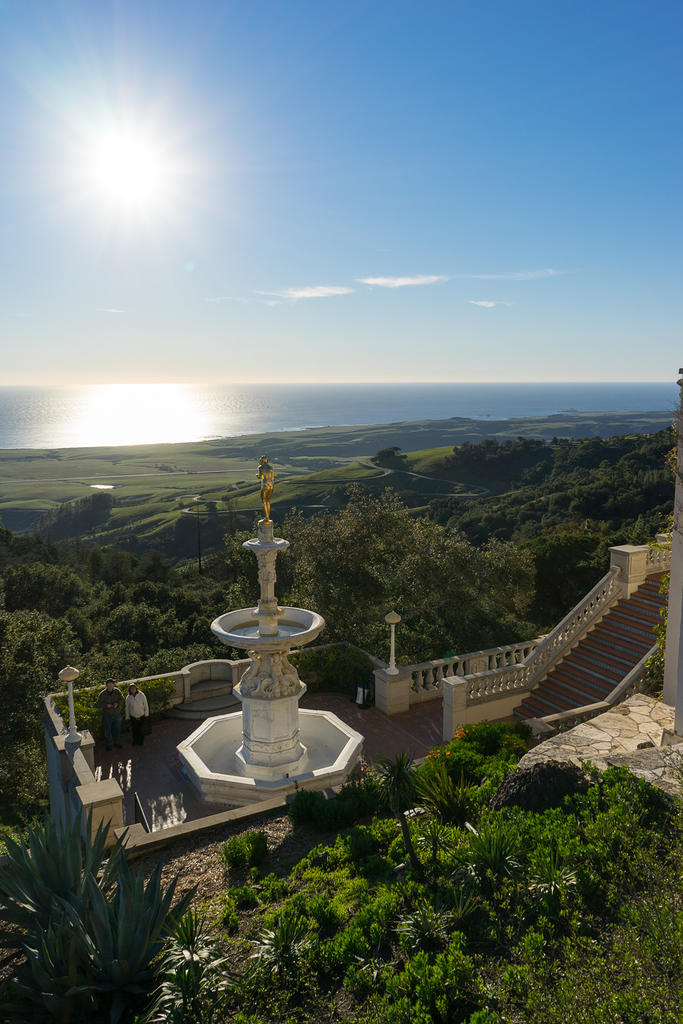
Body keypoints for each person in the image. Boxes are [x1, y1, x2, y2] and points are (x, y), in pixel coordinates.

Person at [96, 677, 124, 750]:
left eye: (113, 683)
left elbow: (122, 699)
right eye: (111, 683)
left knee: (117, 729)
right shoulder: (102, 694)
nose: (112, 685)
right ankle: (109, 744)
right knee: (107, 730)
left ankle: (116, 742)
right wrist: (106, 705)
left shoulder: (117, 691)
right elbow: (98, 704)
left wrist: (117, 703)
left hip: (116, 714)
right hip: (107, 715)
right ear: (107, 685)